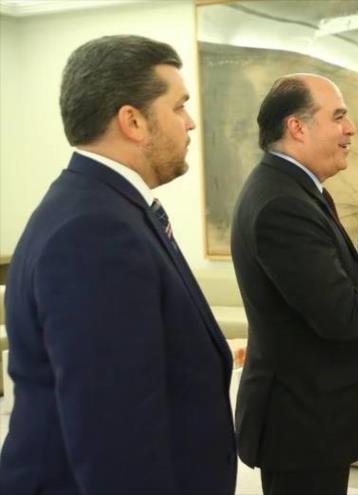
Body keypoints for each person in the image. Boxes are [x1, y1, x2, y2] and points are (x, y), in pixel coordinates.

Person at [0, 35, 237, 493]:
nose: (189, 124)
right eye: (178, 107)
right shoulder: (93, 230)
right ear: (132, 121)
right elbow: (115, 434)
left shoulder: (105, 207)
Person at [230, 74, 358, 495]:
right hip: (300, 422)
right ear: (297, 127)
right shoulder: (282, 203)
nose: (350, 129)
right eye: (338, 117)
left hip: (310, 417)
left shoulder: (293, 190)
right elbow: (340, 313)